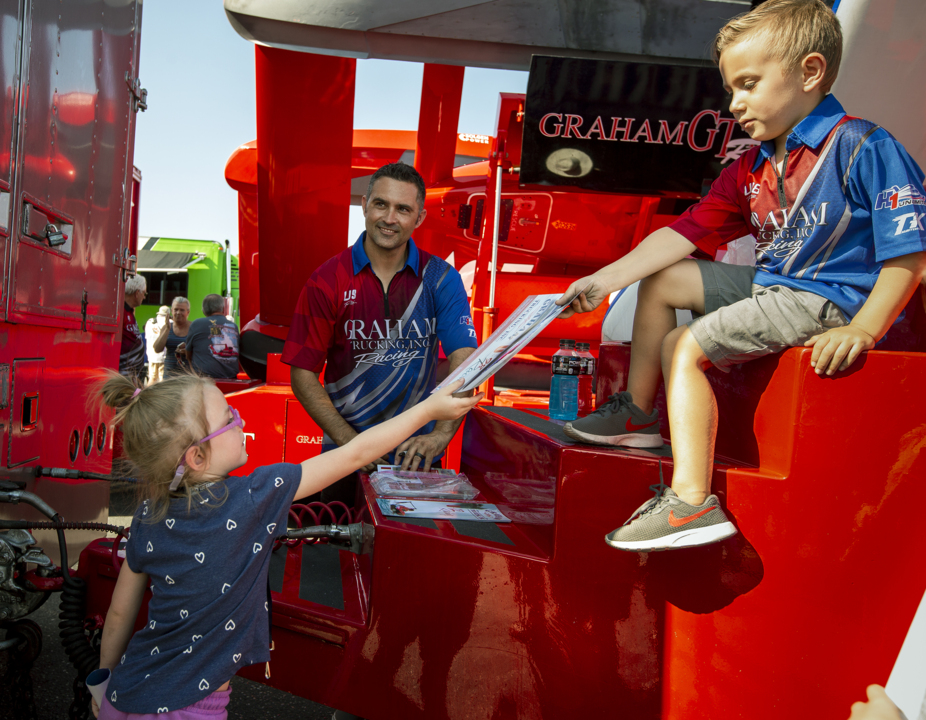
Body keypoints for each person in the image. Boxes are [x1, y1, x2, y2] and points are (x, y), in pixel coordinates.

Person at [557, 0, 926, 552]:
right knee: (665, 280)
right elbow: (678, 236)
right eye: (731, 89)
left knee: (685, 346)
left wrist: (863, 330)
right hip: (774, 287)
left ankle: (689, 504)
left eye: (749, 84)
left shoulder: (864, 145)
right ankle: (637, 415)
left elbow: (911, 255)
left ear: (810, 71)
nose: (735, 104)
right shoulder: (750, 167)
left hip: (831, 301)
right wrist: (604, 280)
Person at [90, 372, 481, 719]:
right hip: (189, 707)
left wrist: (103, 680)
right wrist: (428, 408)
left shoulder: (148, 516)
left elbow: (120, 612)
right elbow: (356, 453)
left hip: (124, 693)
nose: (240, 422)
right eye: (229, 419)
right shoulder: (254, 496)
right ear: (196, 456)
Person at [282, 162, 478, 501]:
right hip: (342, 455)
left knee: (411, 553)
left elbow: (466, 360)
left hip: (417, 456)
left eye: (403, 209)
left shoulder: (441, 278)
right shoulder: (327, 280)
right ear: (364, 205)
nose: (389, 218)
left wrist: (441, 436)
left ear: (419, 219)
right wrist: (353, 445)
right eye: (381, 204)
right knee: (337, 551)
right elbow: (303, 373)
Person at [184, 294, 240, 379]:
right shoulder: (233, 326)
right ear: (223, 308)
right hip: (231, 377)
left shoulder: (196, 324)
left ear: (204, 310)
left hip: (204, 379)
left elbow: (188, 355)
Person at [152, 297, 192, 378]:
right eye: (176, 309)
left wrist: (188, 352)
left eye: (182, 310)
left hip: (188, 376)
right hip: (169, 375)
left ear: (188, 312)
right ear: (172, 311)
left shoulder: (193, 328)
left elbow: (201, 351)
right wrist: (167, 329)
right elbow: (157, 349)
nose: (178, 313)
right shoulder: (166, 327)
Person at [119, 275, 147, 380]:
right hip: (122, 376)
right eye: (144, 293)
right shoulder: (121, 311)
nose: (144, 297)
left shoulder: (129, 311)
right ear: (137, 293)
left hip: (132, 376)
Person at [144, 307, 170, 385]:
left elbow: (146, 337)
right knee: (162, 380)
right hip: (163, 356)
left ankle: (147, 395)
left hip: (151, 356)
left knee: (152, 378)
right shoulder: (169, 322)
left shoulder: (150, 322)